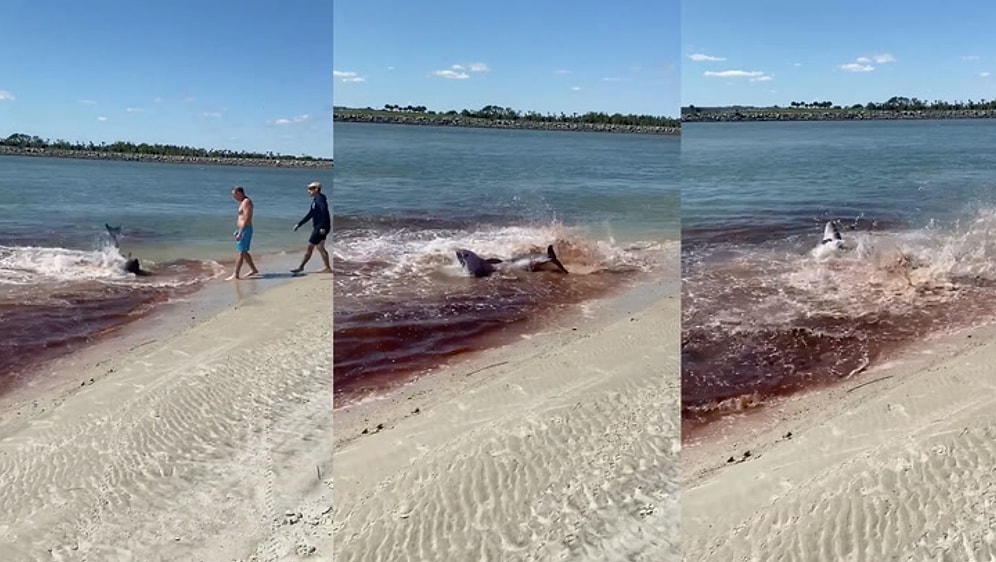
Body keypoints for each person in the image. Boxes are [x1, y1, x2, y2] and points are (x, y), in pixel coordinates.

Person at [291, 181, 332, 274]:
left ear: (316, 189)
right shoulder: (317, 200)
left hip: (320, 227)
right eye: (308, 189)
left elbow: (324, 212)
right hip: (322, 227)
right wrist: (299, 224)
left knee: (310, 247)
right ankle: (327, 267)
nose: (308, 191)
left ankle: (301, 267)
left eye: (310, 189)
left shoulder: (320, 200)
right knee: (320, 247)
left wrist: (322, 227)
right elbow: (310, 214)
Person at [227, 185, 260, 280]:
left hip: (245, 229)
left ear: (239, 193)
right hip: (242, 229)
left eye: (234, 195)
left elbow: (247, 218)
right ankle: (254, 269)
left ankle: (235, 274)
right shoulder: (243, 202)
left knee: (241, 252)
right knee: (244, 251)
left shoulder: (247, 202)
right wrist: (238, 230)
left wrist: (241, 232)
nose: (234, 198)